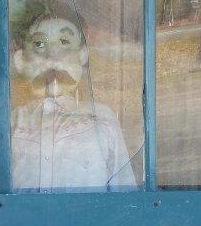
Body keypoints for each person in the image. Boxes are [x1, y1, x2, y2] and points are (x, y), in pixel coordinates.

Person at [10, 12, 135, 192]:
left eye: (64, 42)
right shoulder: (10, 124)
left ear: (82, 55)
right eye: (39, 44)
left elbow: (125, 196)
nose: (53, 55)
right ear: (20, 60)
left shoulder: (101, 120)